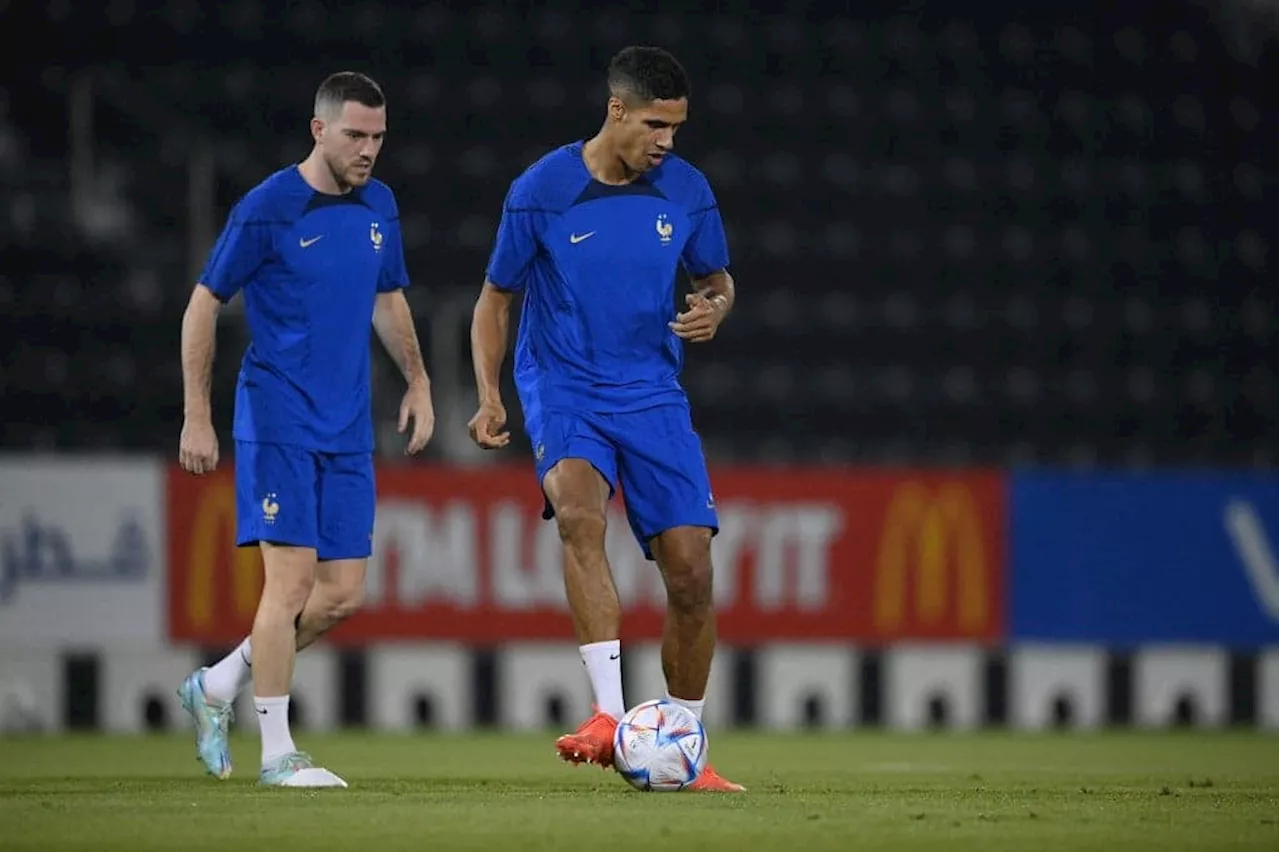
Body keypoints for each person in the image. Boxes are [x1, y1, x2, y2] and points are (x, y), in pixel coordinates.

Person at [468, 46, 743, 792]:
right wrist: (491, 395)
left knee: (691, 570)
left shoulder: (686, 190)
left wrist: (713, 308)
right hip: (565, 386)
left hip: (652, 393)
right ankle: (608, 716)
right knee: (579, 514)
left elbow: (717, 276)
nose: (667, 141)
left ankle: (682, 745)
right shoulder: (543, 190)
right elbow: (495, 299)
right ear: (616, 110)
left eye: (678, 128)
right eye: (656, 124)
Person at [175, 71, 434, 788]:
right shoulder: (268, 208)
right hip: (279, 414)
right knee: (287, 588)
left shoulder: (379, 204)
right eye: (356, 135)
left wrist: (417, 381)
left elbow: (389, 298)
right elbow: (203, 305)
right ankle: (278, 753)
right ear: (318, 130)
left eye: (379, 137)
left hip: (347, 425)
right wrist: (199, 415)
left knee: (343, 594)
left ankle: (219, 684)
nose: (369, 151)